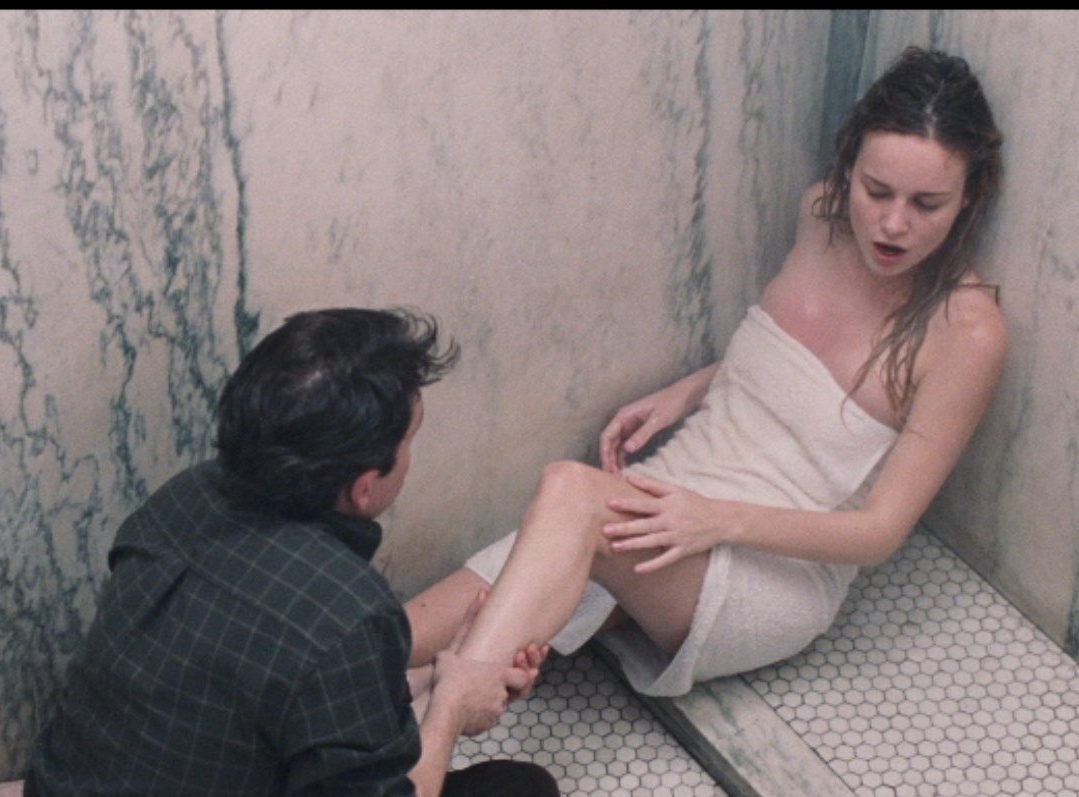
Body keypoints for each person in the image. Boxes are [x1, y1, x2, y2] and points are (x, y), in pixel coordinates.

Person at [0, 308, 571, 797]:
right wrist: (453, 707)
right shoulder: (344, 613)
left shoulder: (183, 501)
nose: (411, 458)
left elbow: (265, 689)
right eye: (410, 442)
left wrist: (443, 671)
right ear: (365, 487)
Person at [405, 47, 1006, 694]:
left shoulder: (967, 333)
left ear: (969, 199)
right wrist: (689, 391)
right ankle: (408, 704)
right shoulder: (821, 218)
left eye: (927, 204)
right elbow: (802, 362)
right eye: (876, 190)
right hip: (680, 490)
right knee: (404, 634)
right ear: (848, 165)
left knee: (570, 492)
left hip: (776, 569)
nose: (892, 223)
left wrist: (716, 520)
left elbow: (879, 532)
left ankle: (451, 710)